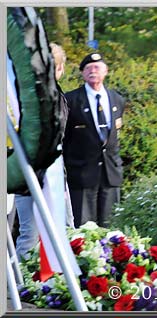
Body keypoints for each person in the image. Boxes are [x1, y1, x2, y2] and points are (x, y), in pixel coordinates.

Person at [15, 43, 73, 258]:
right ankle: (22, 289)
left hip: (47, 175)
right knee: (32, 237)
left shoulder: (52, 96)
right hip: (34, 177)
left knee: (63, 233)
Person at [63, 53, 125, 228]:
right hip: (82, 174)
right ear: (82, 73)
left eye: (97, 67)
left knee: (111, 229)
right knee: (83, 230)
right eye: (88, 68)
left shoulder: (117, 99)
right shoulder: (71, 100)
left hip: (110, 174)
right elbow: (64, 138)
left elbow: (115, 135)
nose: (93, 71)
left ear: (106, 71)